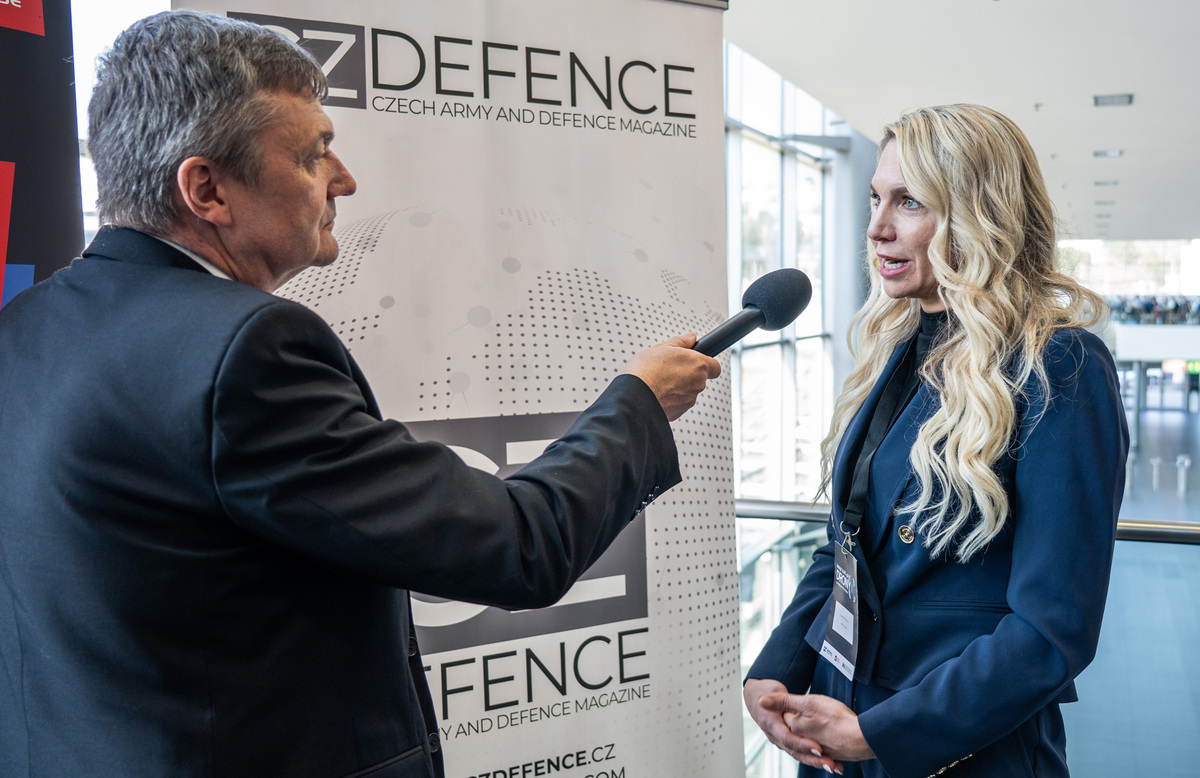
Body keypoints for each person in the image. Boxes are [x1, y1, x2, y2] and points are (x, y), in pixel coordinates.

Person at [0, 11, 721, 778]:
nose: (343, 179)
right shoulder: (248, 352)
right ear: (206, 188)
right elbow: (518, 546)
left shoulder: (26, 324)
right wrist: (641, 404)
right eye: (313, 155)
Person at [743, 104, 1128, 778]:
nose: (877, 227)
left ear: (981, 215)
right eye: (875, 199)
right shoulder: (899, 349)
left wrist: (882, 733)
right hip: (838, 728)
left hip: (954, 745)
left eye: (910, 202)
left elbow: (1052, 629)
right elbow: (848, 547)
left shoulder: (1059, 367)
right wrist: (775, 669)